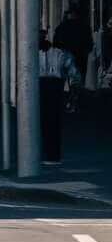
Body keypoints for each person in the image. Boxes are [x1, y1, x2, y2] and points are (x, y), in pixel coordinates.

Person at [38, 32, 75, 163]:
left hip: (44, 86)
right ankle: (53, 155)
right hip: (54, 87)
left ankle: (47, 154)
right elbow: (74, 74)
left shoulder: (34, 54)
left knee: (44, 122)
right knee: (53, 122)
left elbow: (73, 74)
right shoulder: (62, 54)